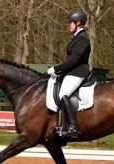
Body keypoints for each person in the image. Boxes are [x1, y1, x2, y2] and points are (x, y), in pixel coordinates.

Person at [47, 10, 91, 139]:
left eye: (70, 23)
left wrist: (56, 69)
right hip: (71, 72)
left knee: (63, 94)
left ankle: (73, 127)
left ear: (78, 23)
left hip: (78, 72)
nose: (68, 25)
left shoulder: (83, 38)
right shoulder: (77, 37)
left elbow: (73, 60)